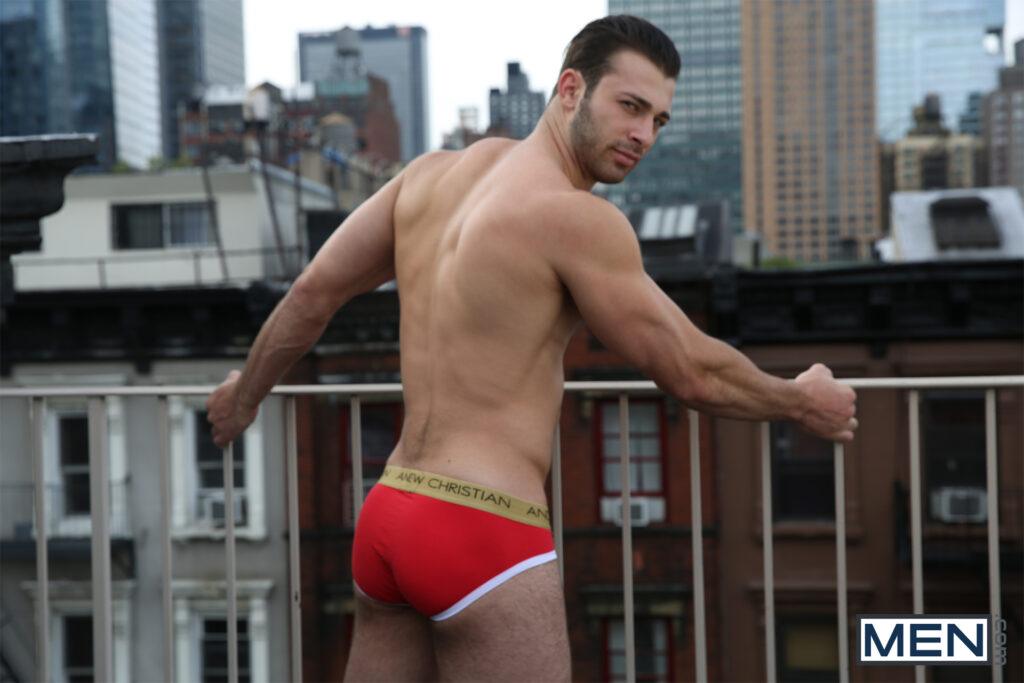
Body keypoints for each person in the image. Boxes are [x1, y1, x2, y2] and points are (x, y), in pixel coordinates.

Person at [207, 14, 858, 681]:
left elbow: (312, 291)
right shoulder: (576, 218)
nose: (644, 134)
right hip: (481, 525)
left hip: (391, 512)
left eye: (659, 120)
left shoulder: (428, 178)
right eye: (630, 106)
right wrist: (799, 401)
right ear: (570, 89)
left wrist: (245, 395)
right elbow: (689, 369)